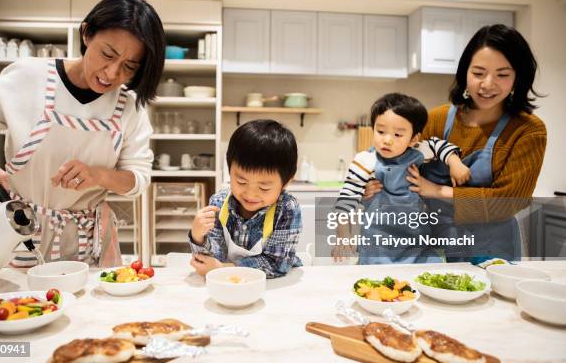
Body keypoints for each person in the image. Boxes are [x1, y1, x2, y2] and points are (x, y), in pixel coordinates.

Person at [0, 0, 166, 267]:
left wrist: (97, 175)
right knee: (18, 305)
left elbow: (138, 179)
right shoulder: (28, 77)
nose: (112, 74)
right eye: (107, 54)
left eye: (129, 67)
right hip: (18, 229)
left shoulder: (130, 108)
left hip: (87, 239)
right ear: (87, 33)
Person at [393, 24, 546, 264]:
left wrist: (437, 190)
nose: (487, 84)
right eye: (478, 73)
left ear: (518, 77)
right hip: (435, 245)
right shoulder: (436, 119)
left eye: (502, 75)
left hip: (493, 248)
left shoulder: (528, 130)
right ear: (465, 73)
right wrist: (375, 185)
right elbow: (403, 173)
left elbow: (508, 202)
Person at [333, 93, 470, 264]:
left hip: (417, 242)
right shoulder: (365, 161)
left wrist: (455, 162)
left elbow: (438, 145)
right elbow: (345, 201)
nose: (387, 140)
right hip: (378, 246)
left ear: (413, 139)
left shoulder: (419, 151)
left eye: (398, 135)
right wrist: (343, 236)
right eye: (380, 131)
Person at [189, 120, 302, 278]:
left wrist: (225, 268)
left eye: (264, 188)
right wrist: (197, 236)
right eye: (241, 182)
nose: (250, 194)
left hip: (273, 286)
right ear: (229, 171)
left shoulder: (286, 208)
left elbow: (278, 263)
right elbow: (211, 260)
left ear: (287, 182)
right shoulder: (219, 203)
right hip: (230, 284)